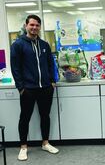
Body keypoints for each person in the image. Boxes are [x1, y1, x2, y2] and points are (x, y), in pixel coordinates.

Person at [10, 14, 59, 161]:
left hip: (45, 88)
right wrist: (21, 87)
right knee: (25, 118)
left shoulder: (44, 44)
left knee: (45, 116)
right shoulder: (18, 44)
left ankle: (45, 143)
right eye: (32, 25)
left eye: (37, 25)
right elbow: (15, 67)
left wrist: (52, 81)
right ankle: (23, 147)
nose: (34, 27)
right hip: (28, 89)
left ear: (40, 27)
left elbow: (51, 64)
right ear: (26, 26)